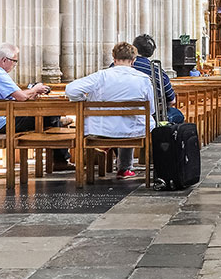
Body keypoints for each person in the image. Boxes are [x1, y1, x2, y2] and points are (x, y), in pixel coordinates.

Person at [0, 42, 73, 171]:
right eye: (14, 61)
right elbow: (21, 97)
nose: (14, 65)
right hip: (2, 123)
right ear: (4, 60)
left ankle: (58, 156)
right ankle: (60, 161)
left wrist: (33, 92)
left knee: (51, 117)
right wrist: (35, 89)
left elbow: (14, 97)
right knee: (51, 114)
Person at [66, 41, 155, 180]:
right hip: (131, 131)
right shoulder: (143, 79)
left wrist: (84, 101)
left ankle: (105, 148)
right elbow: (152, 108)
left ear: (114, 59)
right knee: (128, 123)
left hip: (102, 130)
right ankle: (124, 169)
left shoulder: (101, 76)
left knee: (117, 124)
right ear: (133, 61)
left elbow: (71, 89)